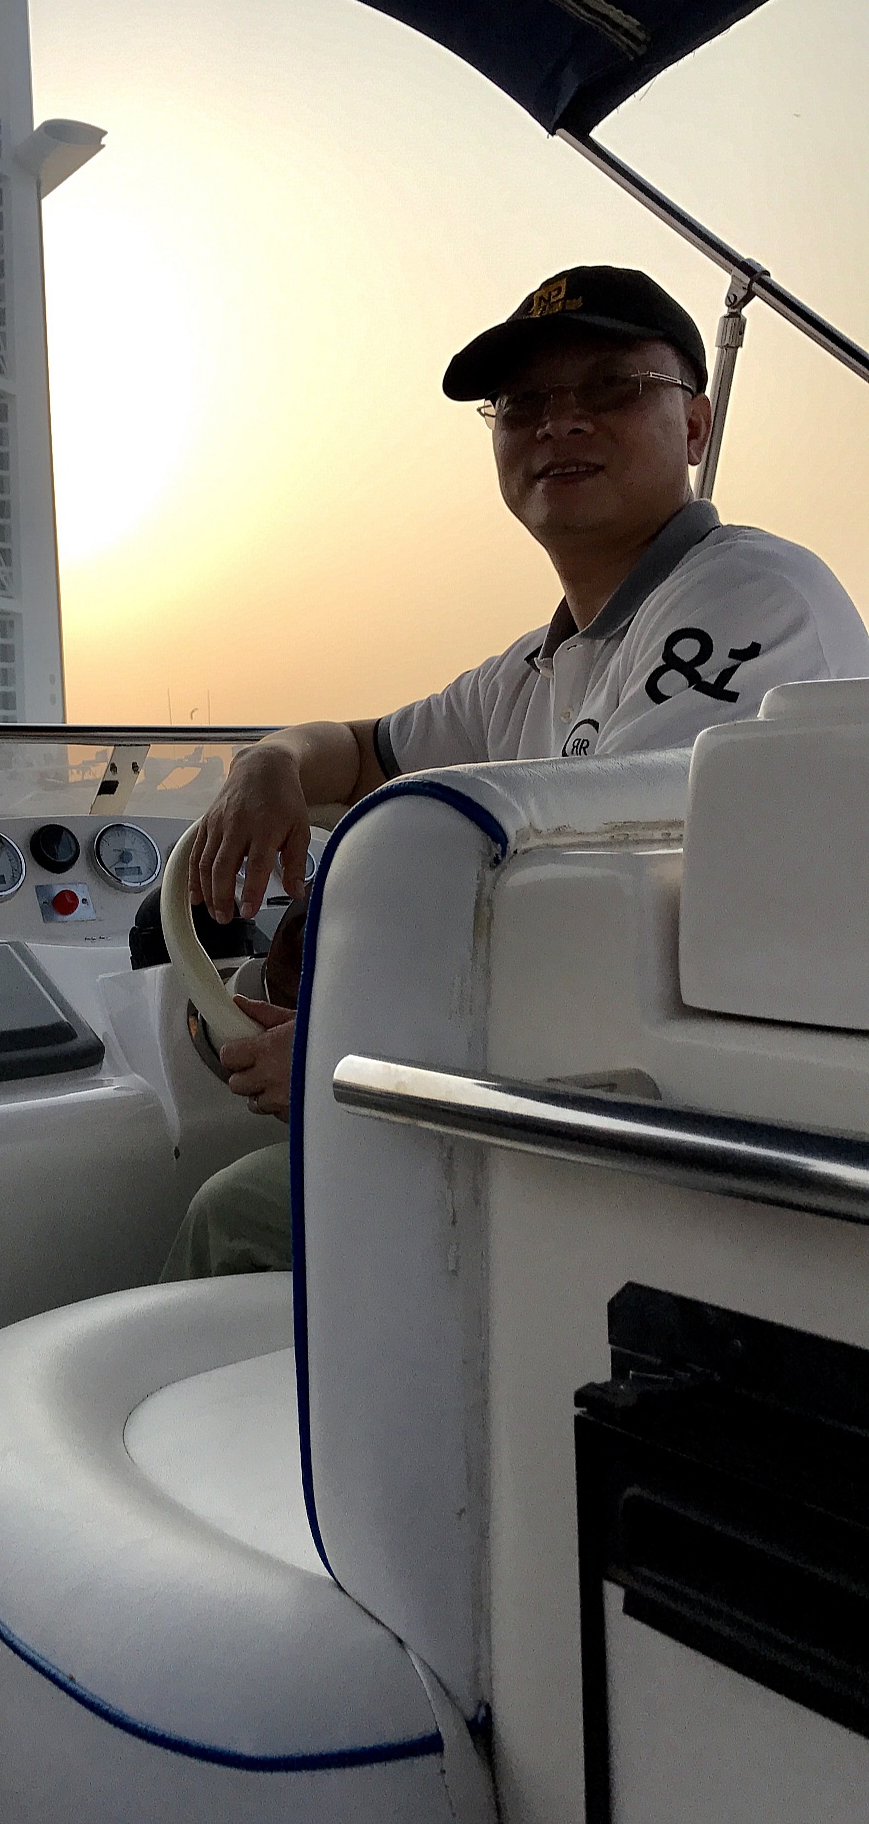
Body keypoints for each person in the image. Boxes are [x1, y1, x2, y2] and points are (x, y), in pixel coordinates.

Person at [160, 263, 869, 1281]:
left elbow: (599, 920)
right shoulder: (536, 668)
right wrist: (270, 760)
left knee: (235, 1214)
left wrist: (347, 1045)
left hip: (717, 1150)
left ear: (696, 424)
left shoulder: (753, 597)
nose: (559, 422)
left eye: (612, 387)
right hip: (585, 1095)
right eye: (525, 402)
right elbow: (359, 751)